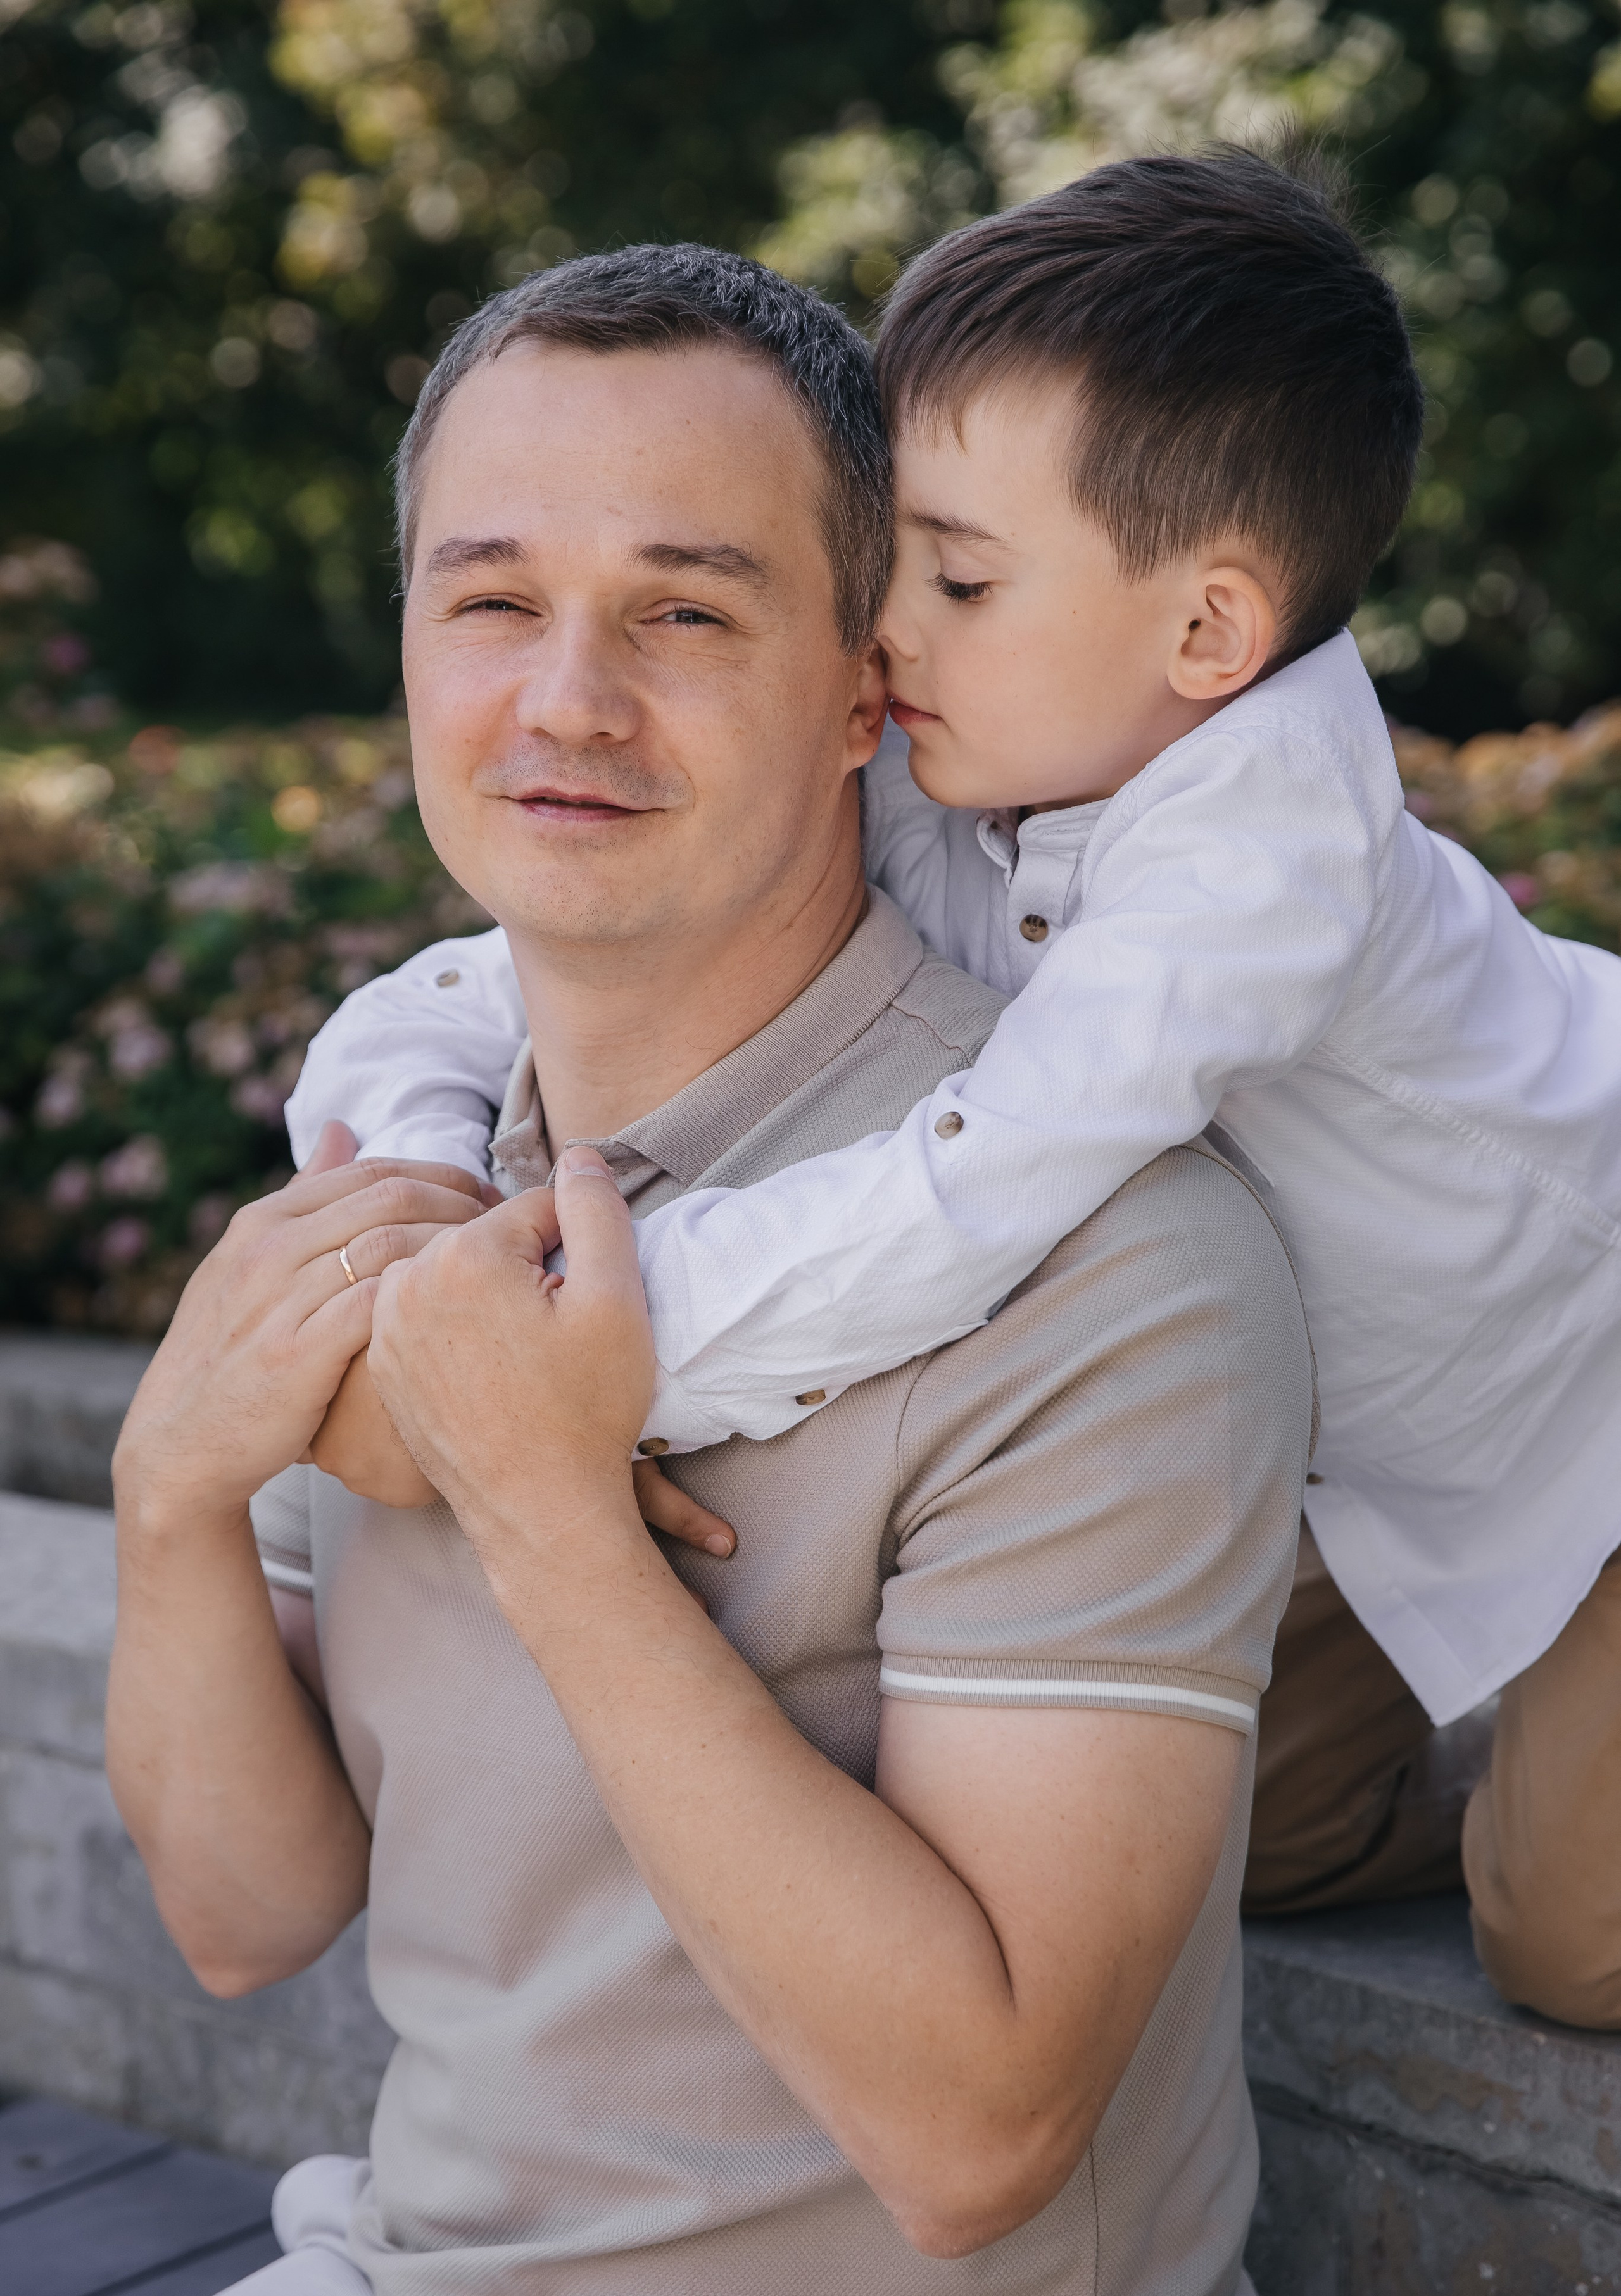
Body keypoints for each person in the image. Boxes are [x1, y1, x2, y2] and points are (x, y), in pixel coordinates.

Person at [23, 246, 1313, 2296]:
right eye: (493, 599)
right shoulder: (410, 1172)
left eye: (687, 610)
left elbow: (978, 2145)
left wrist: (550, 1513)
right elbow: (248, 1917)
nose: (568, 699)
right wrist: (174, 1493)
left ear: (858, 692)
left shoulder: (1112, 1263)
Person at [289, 153, 1621, 2028]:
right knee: (1264, 1834)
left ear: (1208, 640)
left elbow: (968, 1198)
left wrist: (572, 1366)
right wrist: (426, 1226)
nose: (885, 622)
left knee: (1568, 1938)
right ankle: (1475, 1751)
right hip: (1373, 1446)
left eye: (958, 574)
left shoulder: (1261, 859)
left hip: (1599, 1388)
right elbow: (447, 997)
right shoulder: (978, 741)